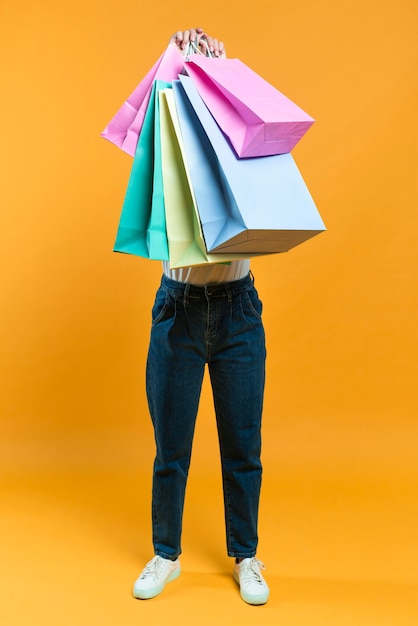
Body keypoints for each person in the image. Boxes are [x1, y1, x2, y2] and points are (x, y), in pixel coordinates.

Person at [132, 28, 270, 606]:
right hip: (178, 310)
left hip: (238, 311)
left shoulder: (241, 145)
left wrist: (223, 68)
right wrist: (176, 63)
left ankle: (247, 555)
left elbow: (263, 131)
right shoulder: (166, 148)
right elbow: (142, 127)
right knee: (172, 446)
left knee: (243, 445)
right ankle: (166, 554)